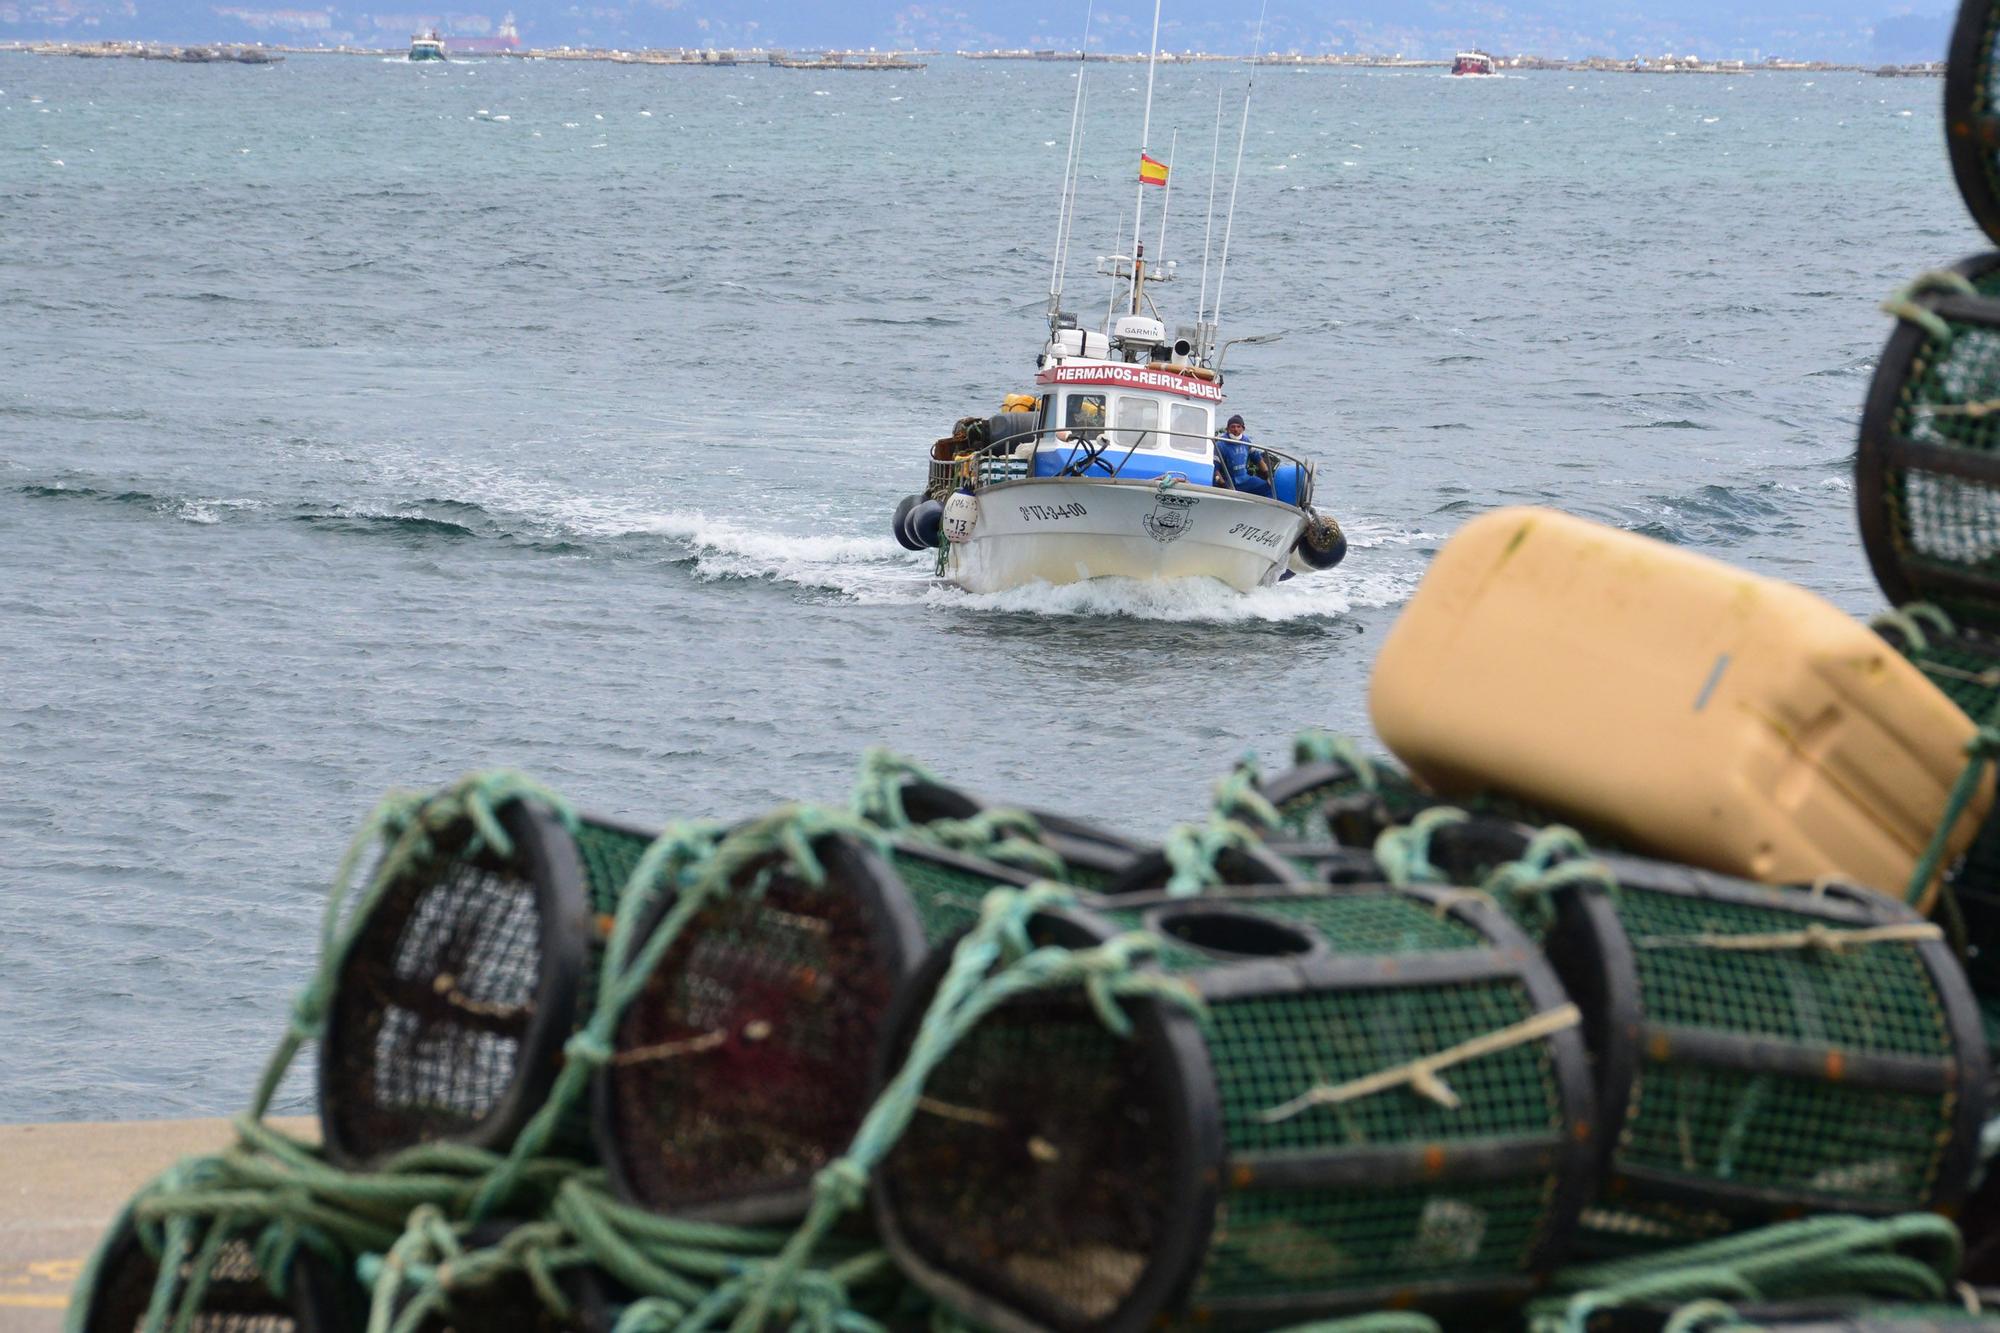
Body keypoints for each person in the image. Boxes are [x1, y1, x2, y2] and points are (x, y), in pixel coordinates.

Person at [1214, 413, 1273, 497]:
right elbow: (1215, 470)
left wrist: (1268, 475)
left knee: (1268, 487)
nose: (1236, 429)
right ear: (1227, 429)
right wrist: (1224, 486)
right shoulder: (1220, 444)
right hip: (1229, 481)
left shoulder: (1246, 441)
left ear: (1243, 428)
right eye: (1233, 426)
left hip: (1245, 479)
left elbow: (1257, 458)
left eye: (1238, 426)